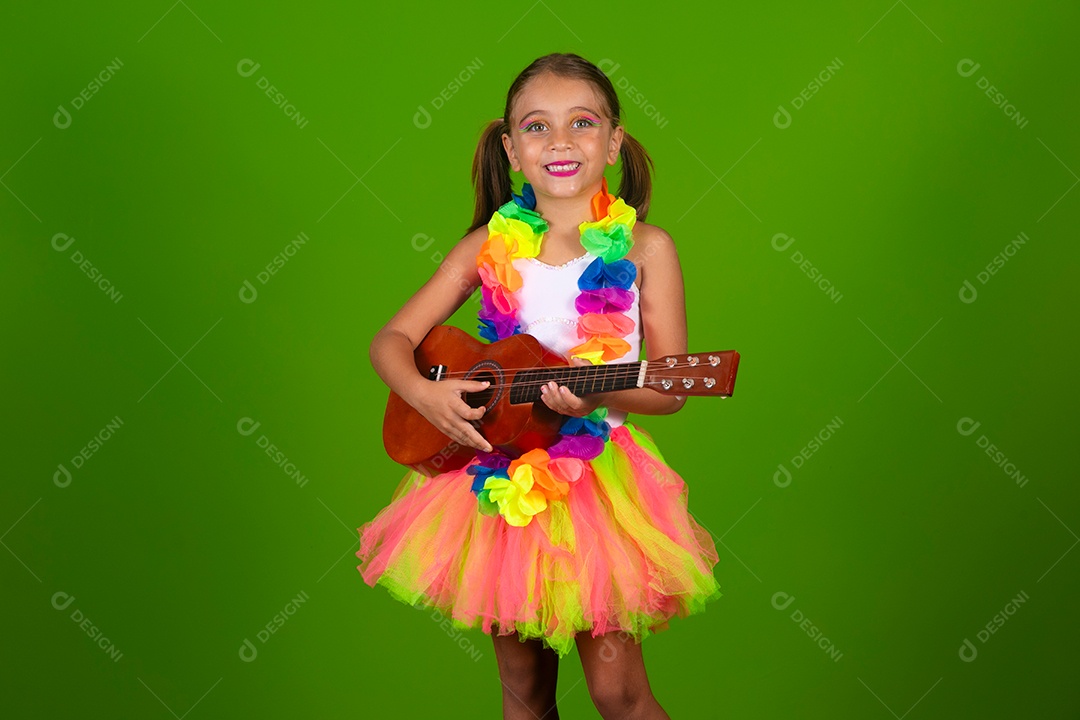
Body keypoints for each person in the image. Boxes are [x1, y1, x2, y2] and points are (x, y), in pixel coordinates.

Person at [357, 52, 721, 720]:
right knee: (524, 694)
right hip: (502, 483)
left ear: (613, 141)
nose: (559, 140)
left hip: (600, 488)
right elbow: (391, 341)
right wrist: (427, 394)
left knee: (619, 692)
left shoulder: (646, 248)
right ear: (510, 149)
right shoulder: (486, 248)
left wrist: (596, 394)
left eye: (582, 123)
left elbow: (671, 389)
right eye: (536, 126)